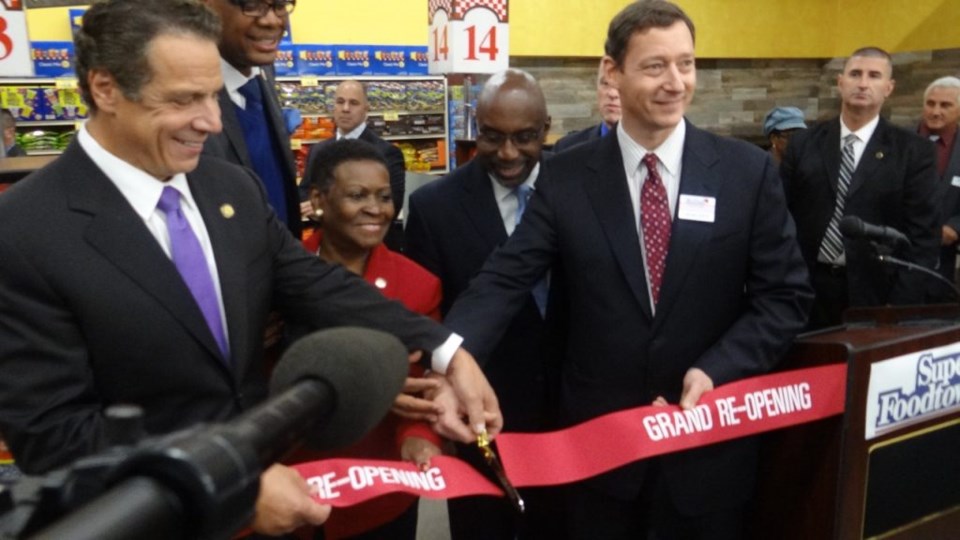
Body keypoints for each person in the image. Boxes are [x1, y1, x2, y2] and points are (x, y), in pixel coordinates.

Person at [0, 1, 499, 537]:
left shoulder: (228, 188)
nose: (211, 121)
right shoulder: (25, 229)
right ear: (105, 89)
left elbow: (314, 284)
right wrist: (229, 485)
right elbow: (53, 434)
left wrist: (449, 351)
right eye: (185, 99)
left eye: (213, 95)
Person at [438, 2, 813, 538]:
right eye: (655, 66)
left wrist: (717, 368)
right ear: (611, 71)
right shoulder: (566, 177)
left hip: (706, 454)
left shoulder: (744, 172)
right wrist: (450, 356)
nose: (675, 82)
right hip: (600, 458)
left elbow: (785, 298)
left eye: (685, 64)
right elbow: (504, 278)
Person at [405, 69, 566, 540]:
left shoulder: (578, 187)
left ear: (546, 128)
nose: (509, 153)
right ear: (476, 128)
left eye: (525, 137)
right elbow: (426, 315)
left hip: (570, 408)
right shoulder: (436, 206)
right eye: (493, 137)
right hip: (479, 411)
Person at [293, 139, 442, 539]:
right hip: (295, 489)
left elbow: (424, 388)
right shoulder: (280, 276)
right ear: (319, 199)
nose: (376, 210)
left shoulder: (418, 285)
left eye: (384, 197)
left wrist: (418, 439)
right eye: (357, 196)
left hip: (380, 493)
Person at [781, 47, 939, 329]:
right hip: (803, 291)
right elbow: (779, 217)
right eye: (855, 74)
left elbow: (924, 237)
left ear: (888, 88)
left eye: (874, 76)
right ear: (841, 82)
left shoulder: (913, 152)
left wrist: (898, 308)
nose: (863, 83)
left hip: (876, 297)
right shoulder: (804, 144)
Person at [201, 0, 302, 236]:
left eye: (280, 5)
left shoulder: (263, 69)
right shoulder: (180, 93)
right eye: (253, 4)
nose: (272, 20)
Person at [304, 80, 407, 219]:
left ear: (366, 109)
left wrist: (327, 209)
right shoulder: (317, 150)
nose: (345, 108)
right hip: (325, 237)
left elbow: (393, 204)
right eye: (340, 102)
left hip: (369, 238)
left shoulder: (387, 153)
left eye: (353, 103)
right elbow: (304, 193)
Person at [918, 76, 960, 302]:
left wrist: (956, 227)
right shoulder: (896, 141)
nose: (935, 111)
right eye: (930, 103)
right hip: (890, 260)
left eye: (945, 105)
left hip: (940, 265)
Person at [552, 60, 621, 152]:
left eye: (620, 84)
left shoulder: (646, 152)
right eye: (605, 83)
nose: (612, 93)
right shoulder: (566, 148)